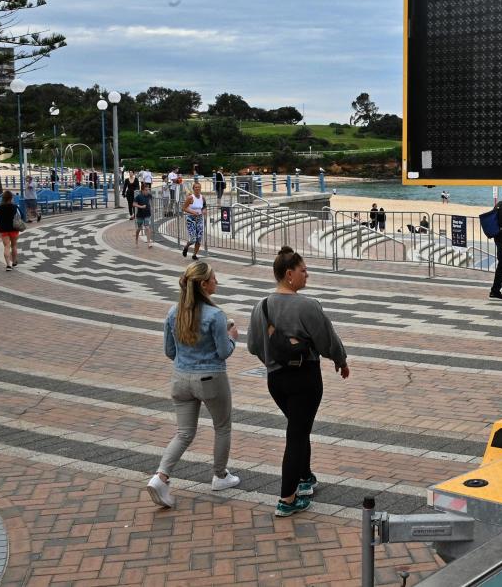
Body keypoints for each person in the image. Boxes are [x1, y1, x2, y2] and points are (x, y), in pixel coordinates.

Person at [248, 247, 350, 517]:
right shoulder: (308, 306)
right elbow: (328, 340)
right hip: (305, 378)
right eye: (303, 270)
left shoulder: (262, 306)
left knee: (298, 428)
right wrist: (340, 360)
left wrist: (272, 363)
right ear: (289, 274)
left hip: (276, 380)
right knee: (296, 435)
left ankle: (305, 479)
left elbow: (253, 345)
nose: (307, 275)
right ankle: (287, 498)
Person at [146, 261, 241, 509]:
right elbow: (222, 352)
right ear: (203, 284)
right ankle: (220, 476)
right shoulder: (216, 316)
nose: (216, 282)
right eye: (213, 278)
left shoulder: (172, 312)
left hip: (180, 378)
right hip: (211, 378)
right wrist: (232, 338)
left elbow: (169, 351)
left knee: (184, 433)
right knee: (222, 427)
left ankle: (161, 477)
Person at [0, 190, 21, 271]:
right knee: (14, 245)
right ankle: (14, 262)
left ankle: (8, 265)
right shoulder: (15, 207)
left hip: (3, 229)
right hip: (14, 228)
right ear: (11, 198)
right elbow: (20, 216)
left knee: (6, 246)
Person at [181, 181, 206, 260]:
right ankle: (186, 247)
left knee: (199, 239)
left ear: (200, 188)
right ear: (193, 189)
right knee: (193, 239)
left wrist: (204, 210)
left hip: (199, 219)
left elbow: (204, 206)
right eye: (196, 187)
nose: (197, 189)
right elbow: (184, 208)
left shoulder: (202, 197)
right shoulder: (190, 198)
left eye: (199, 187)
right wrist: (192, 212)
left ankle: (194, 255)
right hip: (191, 219)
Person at [134, 182, 154, 247]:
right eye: (146, 190)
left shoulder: (149, 195)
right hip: (140, 215)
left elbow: (151, 201)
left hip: (147, 214)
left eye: (148, 189)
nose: (147, 191)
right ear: (142, 190)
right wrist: (141, 206)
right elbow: (134, 204)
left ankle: (149, 243)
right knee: (139, 229)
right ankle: (136, 240)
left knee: (147, 227)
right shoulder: (138, 197)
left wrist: (152, 207)